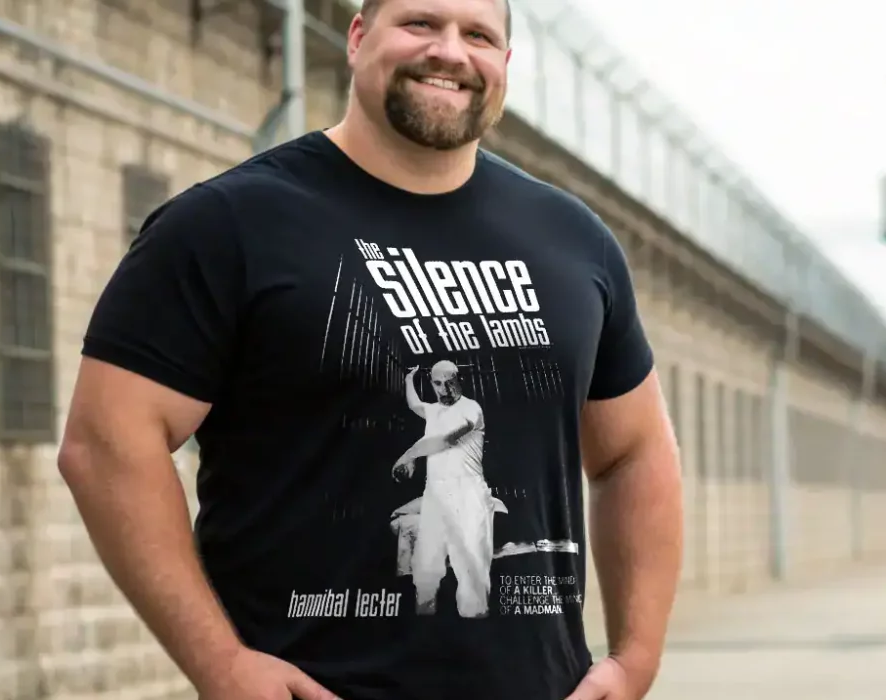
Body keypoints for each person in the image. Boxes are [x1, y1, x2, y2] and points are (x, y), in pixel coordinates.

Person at [54, 0, 685, 697]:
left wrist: (635, 659)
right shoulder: (227, 224)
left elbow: (634, 451)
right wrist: (221, 663)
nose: (450, 52)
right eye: (420, 23)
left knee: (468, 575)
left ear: (504, 65)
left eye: (478, 35)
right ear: (357, 38)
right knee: (430, 570)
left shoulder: (573, 243)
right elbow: (106, 443)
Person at [393, 361, 492, 618]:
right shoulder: (433, 410)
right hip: (435, 496)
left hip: (466, 495)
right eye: (438, 383)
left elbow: (445, 440)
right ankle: (425, 627)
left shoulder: (471, 409)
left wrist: (409, 454)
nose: (444, 389)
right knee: (425, 569)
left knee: (470, 570)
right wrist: (409, 379)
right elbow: (414, 405)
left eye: (450, 382)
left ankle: (475, 627)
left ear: (460, 380)